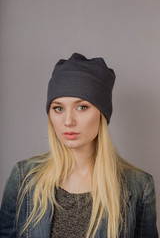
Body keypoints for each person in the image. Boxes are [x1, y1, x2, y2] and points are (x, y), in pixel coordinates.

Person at [0, 53, 158, 238]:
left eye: (82, 107)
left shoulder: (139, 186)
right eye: (58, 108)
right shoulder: (23, 177)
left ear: (102, 113)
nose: (68, 121)